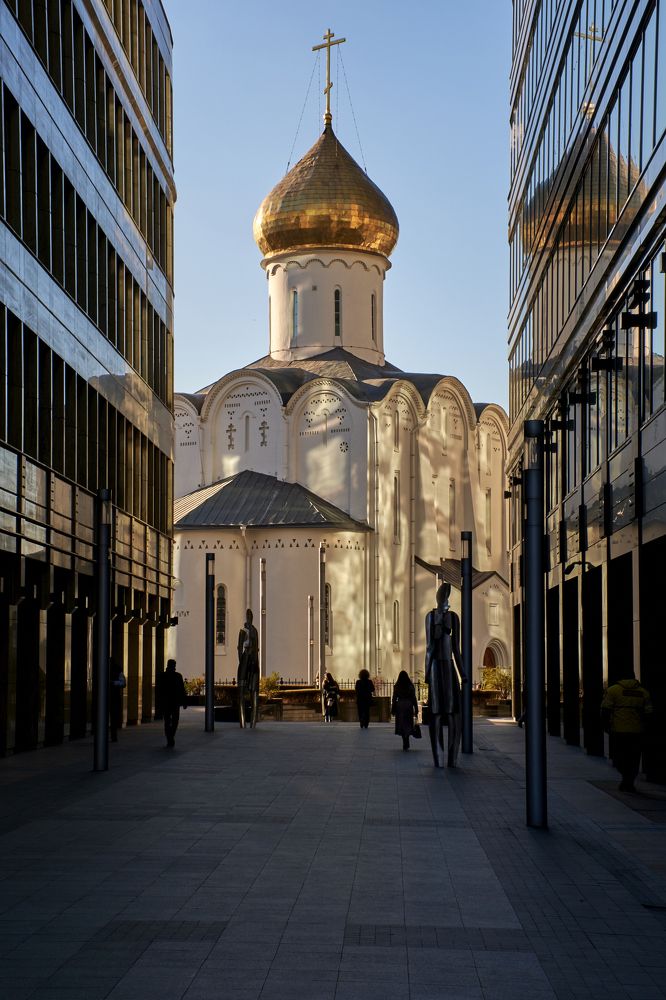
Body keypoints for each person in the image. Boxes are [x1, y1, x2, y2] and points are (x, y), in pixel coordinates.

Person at [425, 582, 468, 768]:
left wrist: (463, 673)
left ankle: (451, 757)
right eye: (445, 598)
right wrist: (428, 672)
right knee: (436, 712)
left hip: (448, 667)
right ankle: (438, 757)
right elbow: (429, 648)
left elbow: (456, 649)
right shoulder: (431, 616)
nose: (447, 603)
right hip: (436, 667)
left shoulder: (454, 618)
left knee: (452, 712)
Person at [601, 672, 652, 792]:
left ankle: (625, 778)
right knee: (634, 758)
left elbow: (605, 709)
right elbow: (649, 713)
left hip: (619, 730)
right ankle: (629, 781)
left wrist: (606, 726)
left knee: (619, 756)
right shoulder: (644, 692)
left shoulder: (613, 690)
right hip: (637, 731)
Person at [237, 609, 259, 728]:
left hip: (253, 662)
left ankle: (253, 722)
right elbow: (240, 648)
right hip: (245, 660)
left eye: (251, 616)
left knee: (254, 691)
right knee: (241, 692)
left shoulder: (255, 631)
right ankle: (243, 722)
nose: (249, 618)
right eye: (248, 616)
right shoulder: (243, 631)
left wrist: (254, 661)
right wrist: (242, 661)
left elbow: (256, 647)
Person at [160, 659, 187, 748]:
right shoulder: (178, 676)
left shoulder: (163, 676)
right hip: (174, 703)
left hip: (167, 703)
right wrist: (184, 702)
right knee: (174, 721)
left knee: (167, 721)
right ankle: (171, 736)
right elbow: (182, 690)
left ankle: (169, 737)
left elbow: (159, 691)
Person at [392, 670, 418, 750]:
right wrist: (416, 708)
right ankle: (407, 737)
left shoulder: (397, 686)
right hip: (408, 705)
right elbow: (414, 697)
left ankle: (404, 739)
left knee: (401, 723)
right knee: (408, 723)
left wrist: (393, 708)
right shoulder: (410, 686)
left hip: (400, 705)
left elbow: (394, 698)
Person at [109, 659, 126, 742]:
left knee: (113, 718)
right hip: (114, 698)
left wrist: (113, 683)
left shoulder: (118, 671)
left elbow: (123, 683)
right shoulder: (118, 671)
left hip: (113, 698)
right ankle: (113, 736)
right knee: (113, 718)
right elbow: (123, 683)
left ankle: (113, 736)